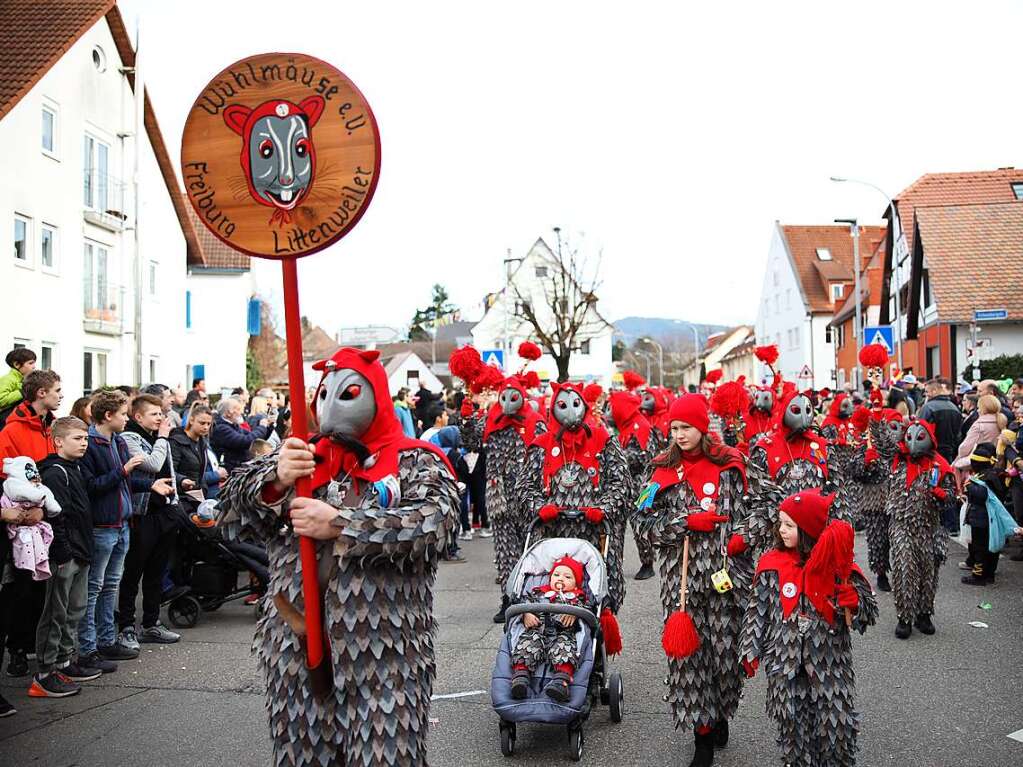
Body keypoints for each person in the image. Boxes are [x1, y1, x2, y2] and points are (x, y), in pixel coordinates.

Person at [217, 347, 459, 766]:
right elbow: (228, 511)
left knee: (385, 755)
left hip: (386, 653)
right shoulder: (300, 457)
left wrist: (342, 524)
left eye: (345, 393)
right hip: (295, 650)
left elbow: (434, 521)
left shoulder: (414, 460)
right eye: (324, 393)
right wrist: (274, 479)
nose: (330, 405)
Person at [636, 393, 757, 767]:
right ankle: (701, 736)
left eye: (686, 427)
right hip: (682, 583)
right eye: (674, 428)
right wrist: (683, 522)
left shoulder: (733, 464)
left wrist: (743, 538)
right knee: (690, 662)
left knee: (725, 659)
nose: (679, 434)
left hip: (726, 579)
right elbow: (641, 523)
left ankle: (720, 712)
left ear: (702, 427)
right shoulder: (659, 470)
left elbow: (766, 508)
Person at [740, 490, 877, 767]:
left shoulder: (837, 564)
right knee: (793, 727)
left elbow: (867, 614)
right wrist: (750, 649)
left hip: (829, 663)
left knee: (836, 727)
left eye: (789, 525)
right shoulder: (771, 565)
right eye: (780, 523)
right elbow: (757, 610)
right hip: (784, 663)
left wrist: (856, 602)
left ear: (809, 529)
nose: (782, 530)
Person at [518, 382, 631, 619]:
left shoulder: (603, 440)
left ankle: (595, 645)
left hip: (596, 532)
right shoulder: (541, 445)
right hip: (552, 536)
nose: (570, 410)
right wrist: (541, 507)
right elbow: (524, 487)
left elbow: (622, 483)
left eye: (575, 403)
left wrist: (603, 508)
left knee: (598, 595)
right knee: (551, 593)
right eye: (562, 405)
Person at [77, 390, 154, 672]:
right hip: (102, 527)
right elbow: (92, 486)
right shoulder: (90, 444)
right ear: (108, 416)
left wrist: (150, 485)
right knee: (93, 588)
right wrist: (123, 471)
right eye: (123, 414)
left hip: (122, 524)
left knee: (111, 585)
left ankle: (107, 640)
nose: (126, 419)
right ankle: (87, 647)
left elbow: (126, 483)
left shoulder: (118, 441)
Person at [32, 417, 101, 697]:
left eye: (85, 438)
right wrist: (62, 552)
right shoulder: (55, 472)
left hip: (81, 550)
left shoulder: (76, 468)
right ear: (58, 441)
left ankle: (63, 661)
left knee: (75, 610)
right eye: (77, 439)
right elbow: (57, 517)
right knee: (55, 613)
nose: (83, 443)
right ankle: (45, 673)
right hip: (65, 554)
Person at [0, 369, 61, 678]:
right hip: (22, 522)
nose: (61, 395)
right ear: (41, 394)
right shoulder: (12, 429)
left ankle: (32, 644)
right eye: (57, 390)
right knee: (21, 589)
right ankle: (18, 651)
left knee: (40, 587)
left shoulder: (50, 426)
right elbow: (6, 476)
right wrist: (24, 512)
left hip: (46, 517)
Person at [471, 377, 544, 619]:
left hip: (527, 497)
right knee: (504, 551)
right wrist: (465, 418)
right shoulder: (490, 420)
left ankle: (534, 598)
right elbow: (471, 441)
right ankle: (508, 599)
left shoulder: (535, 422)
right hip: (498, 495)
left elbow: (545, 455)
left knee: (531, 549)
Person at [116, 394, 181, 651]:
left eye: (161, 414)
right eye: (154, 414)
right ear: (138, 416)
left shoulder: (156, 437)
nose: (160, 418)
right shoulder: (129, 437)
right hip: (142, 514)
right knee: (134, 572)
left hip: (164, 511)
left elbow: (169, 470)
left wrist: (175, 501)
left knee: (157, 570)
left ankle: (152, 622)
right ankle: (127, 627)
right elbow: (153, 465)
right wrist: (164, 437)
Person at [884, 419, 955, 639]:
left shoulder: (940, 466)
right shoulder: (897, 460)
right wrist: (876, 414)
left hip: (929, 528)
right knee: (904, 570)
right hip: (900, 525)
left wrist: (942, 495)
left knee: (927, 573)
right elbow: (880, 442)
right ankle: (904, 618)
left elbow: (952, 498)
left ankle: (924, 614)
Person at [509, 556, 586, 702]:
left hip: (563, 633)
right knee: (528, 643)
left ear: (576, 584)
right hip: (537, 630)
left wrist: (575, 612)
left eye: (568, 576)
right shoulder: (538, 593)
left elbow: (588, 611)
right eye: (556, 575)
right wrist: (526, 613)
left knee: (565, 647)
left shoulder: (577, 598)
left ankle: (561, 682)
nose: (560, 579)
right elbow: (524, 604)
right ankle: (520, 678)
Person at [606, 391, 656, 580]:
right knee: (618, 525)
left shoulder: (641, 426)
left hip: (642, 485)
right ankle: (615, 563)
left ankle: (647, 562)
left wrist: (617, 457)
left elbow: (644, 457)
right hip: (627, 485)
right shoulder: (626, 427)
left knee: (641, 524)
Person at [210, 397, 273, 474]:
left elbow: (255, 439)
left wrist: (268, 427)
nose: (241, 413)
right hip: (231, 471)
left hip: (239, 468)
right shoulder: (221, 428)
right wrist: (262, 427)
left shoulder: (233, 425)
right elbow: (246, 441)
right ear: (228, 413)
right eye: (238, 409)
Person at [954, 394, 1007, 484]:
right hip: (996, 461)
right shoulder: (1001, 421)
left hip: (978, 460)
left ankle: (959, 493)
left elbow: (964, 448)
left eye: (979, 407)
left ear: (984, 408)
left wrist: (959, 457)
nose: (977, 410)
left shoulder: (979, 424)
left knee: (956, 465)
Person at [918, 377, 962, 463]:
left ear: (934, 391)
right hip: (950, 454)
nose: (926, 394)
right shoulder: (955, 408)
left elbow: (920, 430)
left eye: (927, 391)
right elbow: (958, 435)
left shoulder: (928, 408)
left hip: (932, 454)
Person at [0, 348, 36, 418]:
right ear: (17, 364)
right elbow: (1, 399)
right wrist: (21, 392)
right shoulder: (7, 379)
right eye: (30, 363)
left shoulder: (24, 380)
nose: (34, 367)